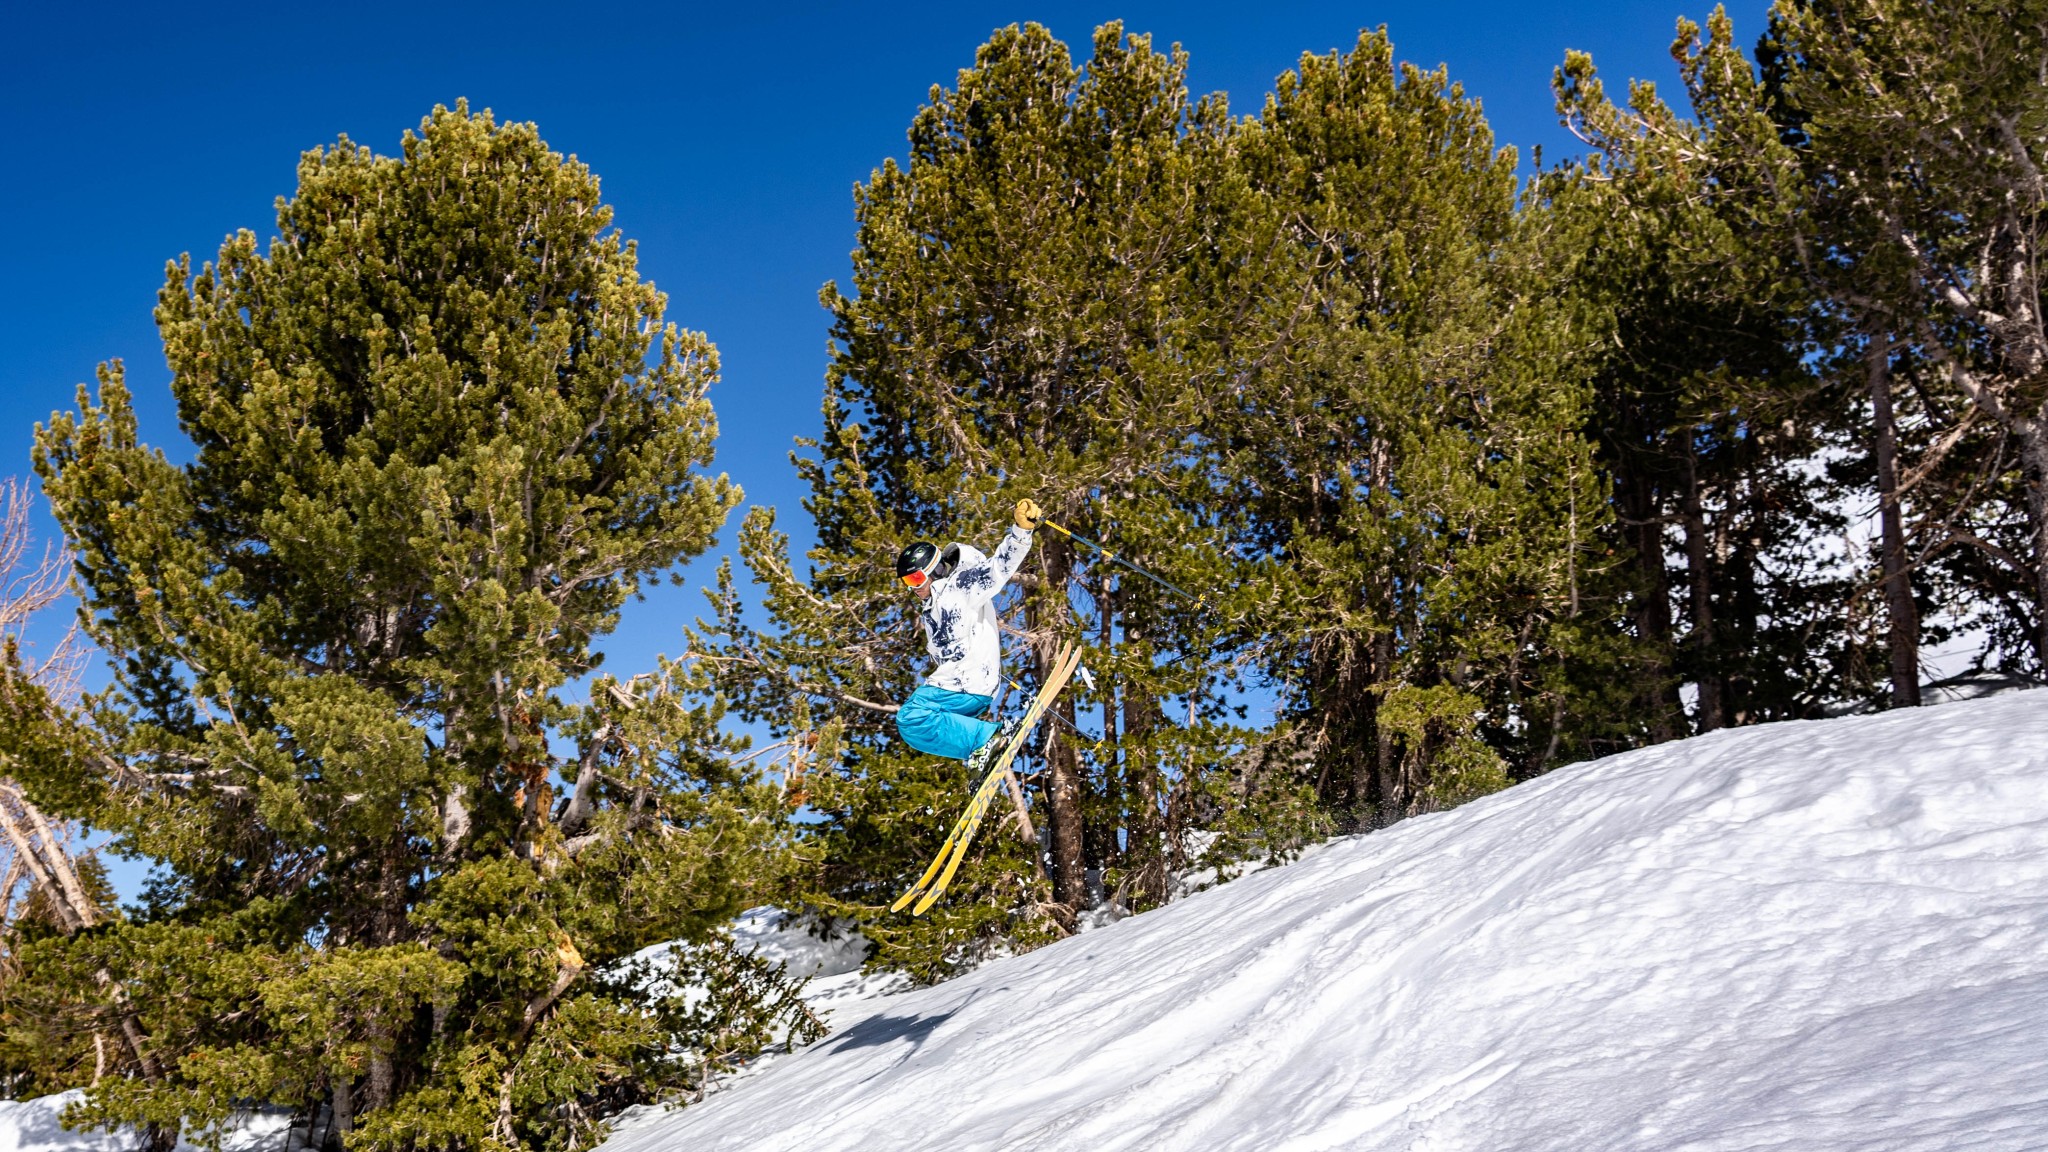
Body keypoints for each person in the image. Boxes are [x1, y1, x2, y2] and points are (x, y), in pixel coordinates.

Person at [894, 497, 1043, 772]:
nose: (912, 588)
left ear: (934, 569)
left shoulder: (960, 586)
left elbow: (999, 568)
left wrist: (1021, 531)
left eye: (915, 579)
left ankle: (986, 738)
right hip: (965, 687)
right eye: (906, 582)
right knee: (914, 730)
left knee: (912, 716)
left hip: (967, 684)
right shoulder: (931, 611)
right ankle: (981, 752)